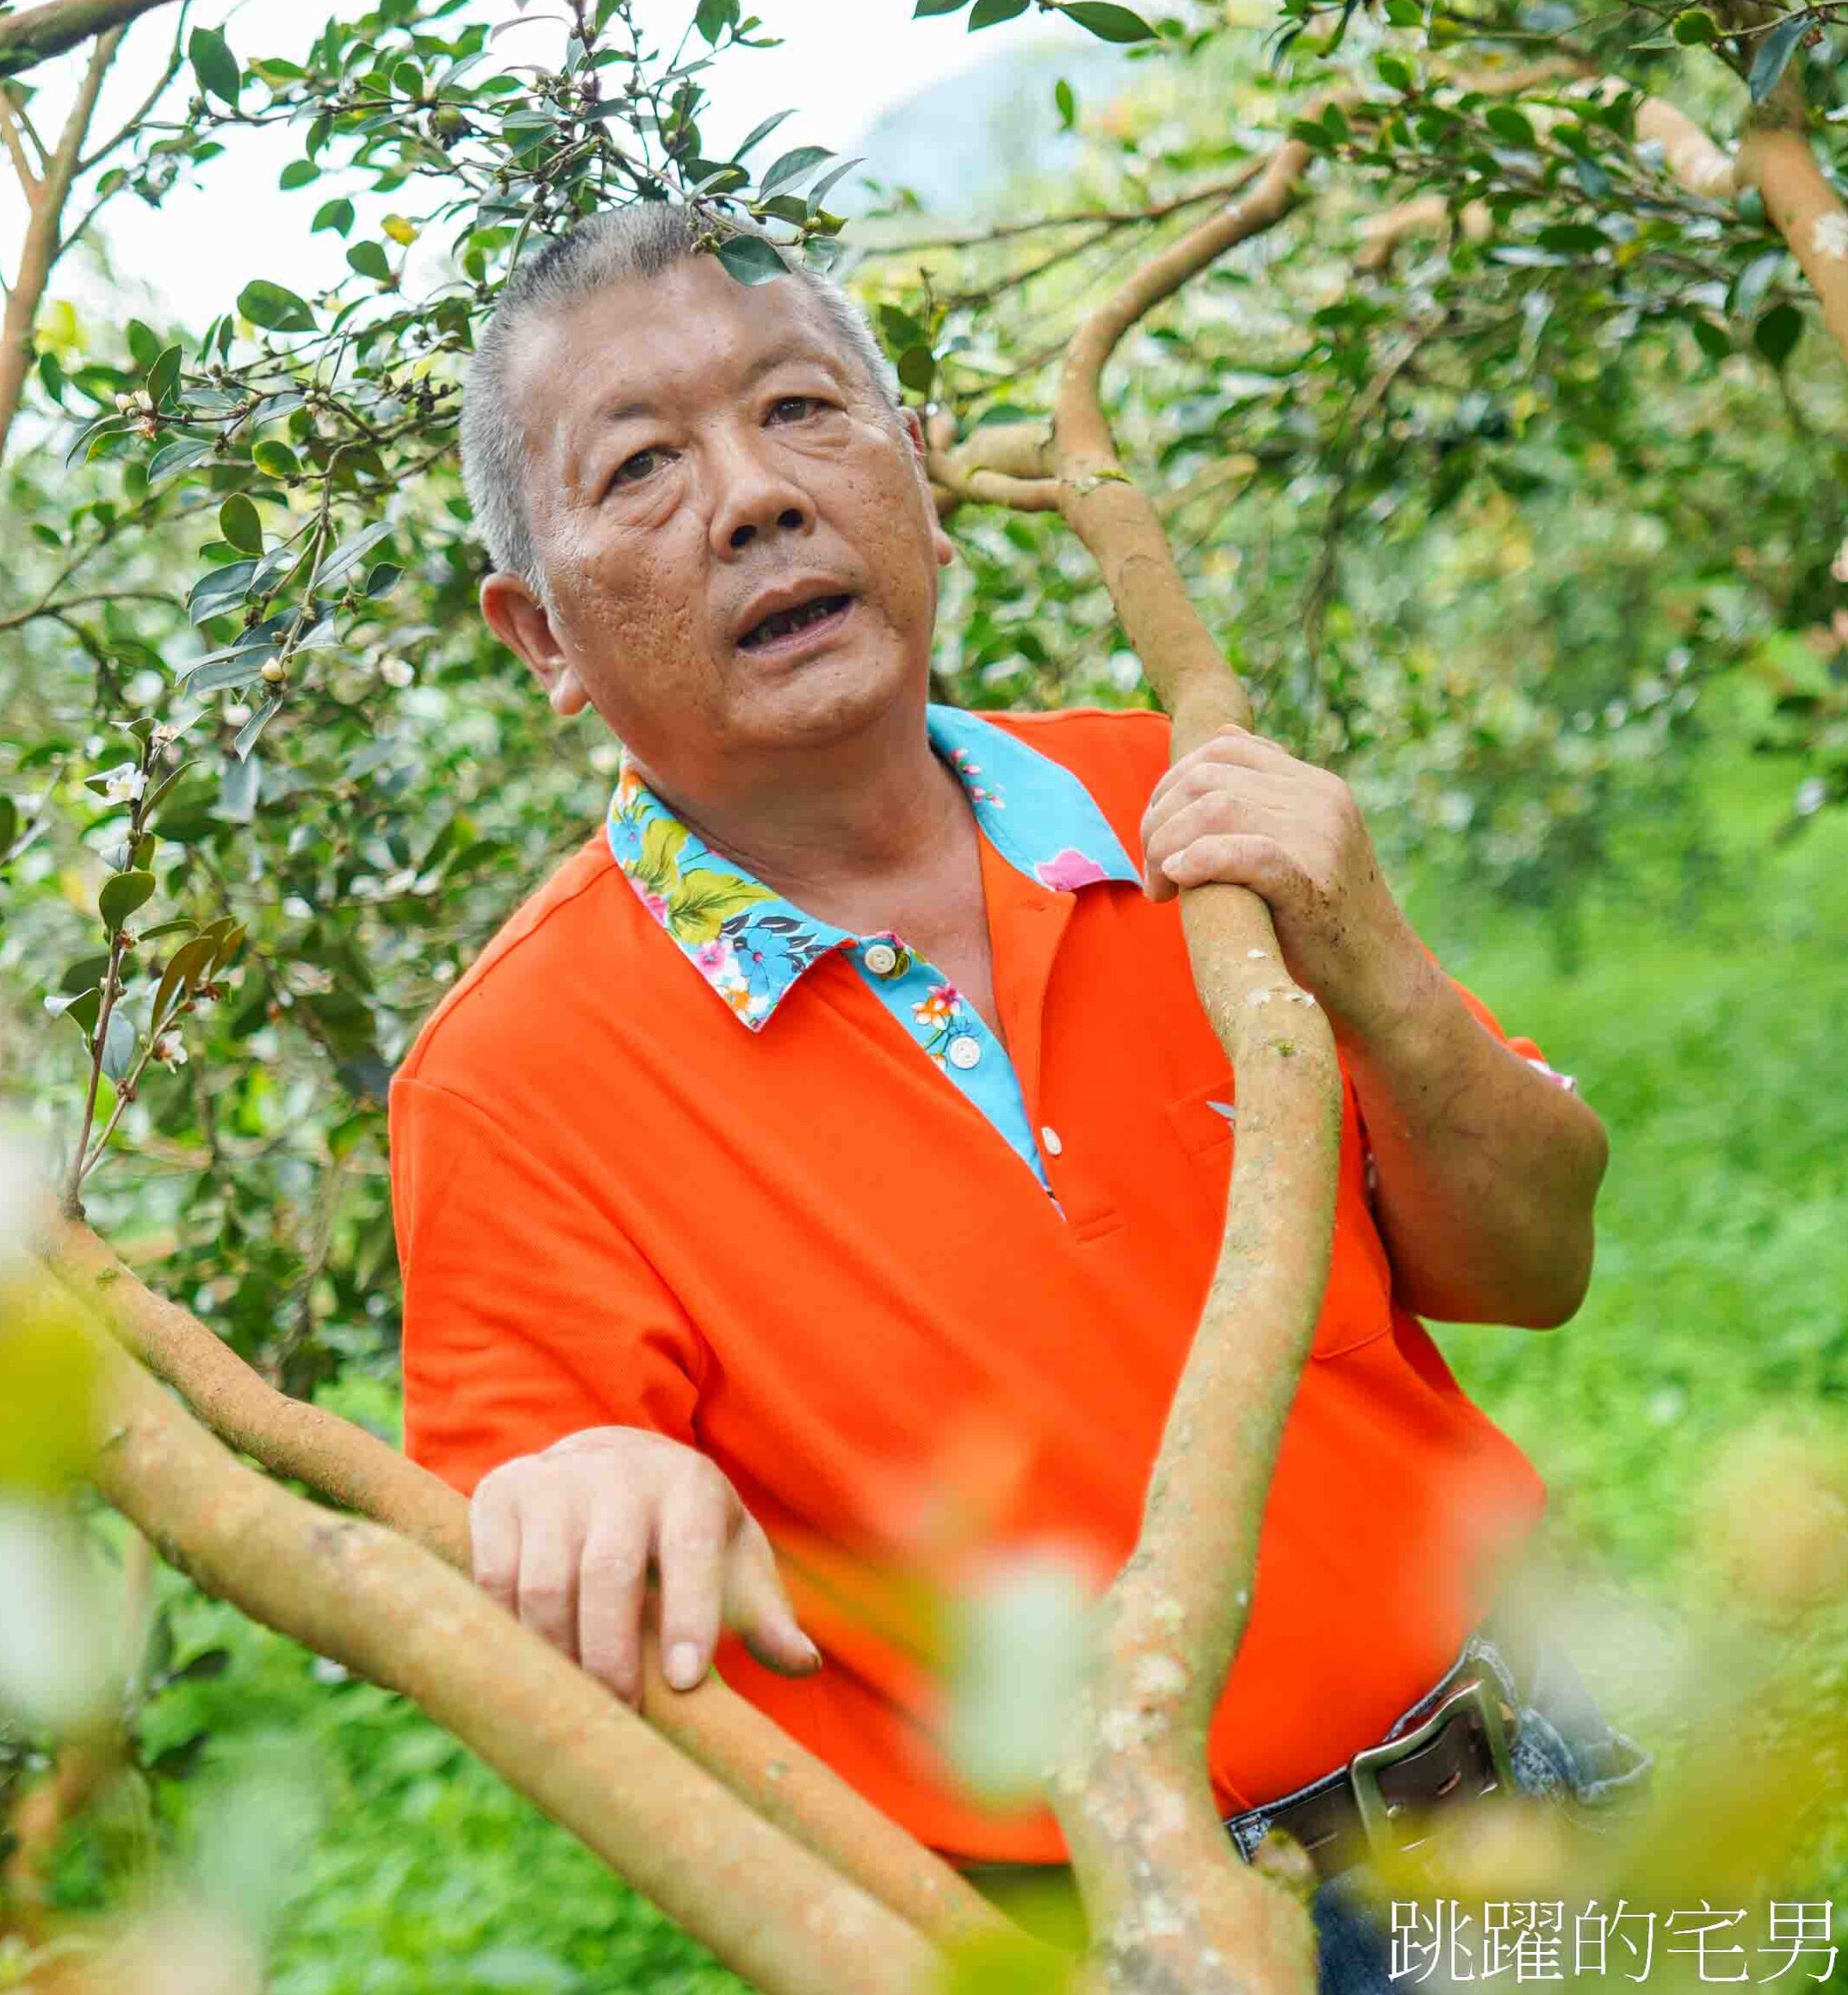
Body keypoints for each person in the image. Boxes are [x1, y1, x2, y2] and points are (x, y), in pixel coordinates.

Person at [391, 201, 1650, 1989]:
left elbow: (1534, 1258)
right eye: (644, 467)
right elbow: (544, 1510)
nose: (753, 493)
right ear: (539, 633)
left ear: (916, 473)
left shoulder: (1170, 803)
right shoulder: (512, 1073)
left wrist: (1365, 958)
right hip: (1137, 1940)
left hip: (1545, 1776)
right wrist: (584, 1470)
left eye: (803, 412)